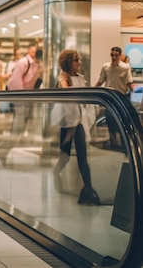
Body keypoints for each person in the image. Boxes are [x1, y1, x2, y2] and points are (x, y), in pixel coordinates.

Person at [52, 50, 101, 205]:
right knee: (65, 155)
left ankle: (88, 189)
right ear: (68, 62)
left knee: (82, 156)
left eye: (79, 60)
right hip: (67, 123)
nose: (79, 63)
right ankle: (56, 172)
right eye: (75, 60)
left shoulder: (80, 78)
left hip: (78, 122)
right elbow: (67, 92)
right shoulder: (64, 78)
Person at [1, 43, 42, 157]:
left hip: (26, 99)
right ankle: (4, 151)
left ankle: (4, 150)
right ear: (29, 51)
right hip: (21, 100)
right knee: (18, 127)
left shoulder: (35, 65)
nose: (36, 54)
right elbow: (15, 82)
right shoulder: (23, 63)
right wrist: (22, 97)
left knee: (20, 127)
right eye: (34, 51)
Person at [95, 46, 133, 147]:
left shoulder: (125, 67)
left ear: (120, 56)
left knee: (123, 120)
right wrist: (94, 90)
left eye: (116, 55)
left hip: (122, 97)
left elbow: (129, 83)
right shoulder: (106, 67)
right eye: (112, 55)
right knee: (110, 120)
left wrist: (136, 92)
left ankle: (124, 144)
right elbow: (101, 80)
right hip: (110, 97)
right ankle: (113, 142)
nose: (114, 57)